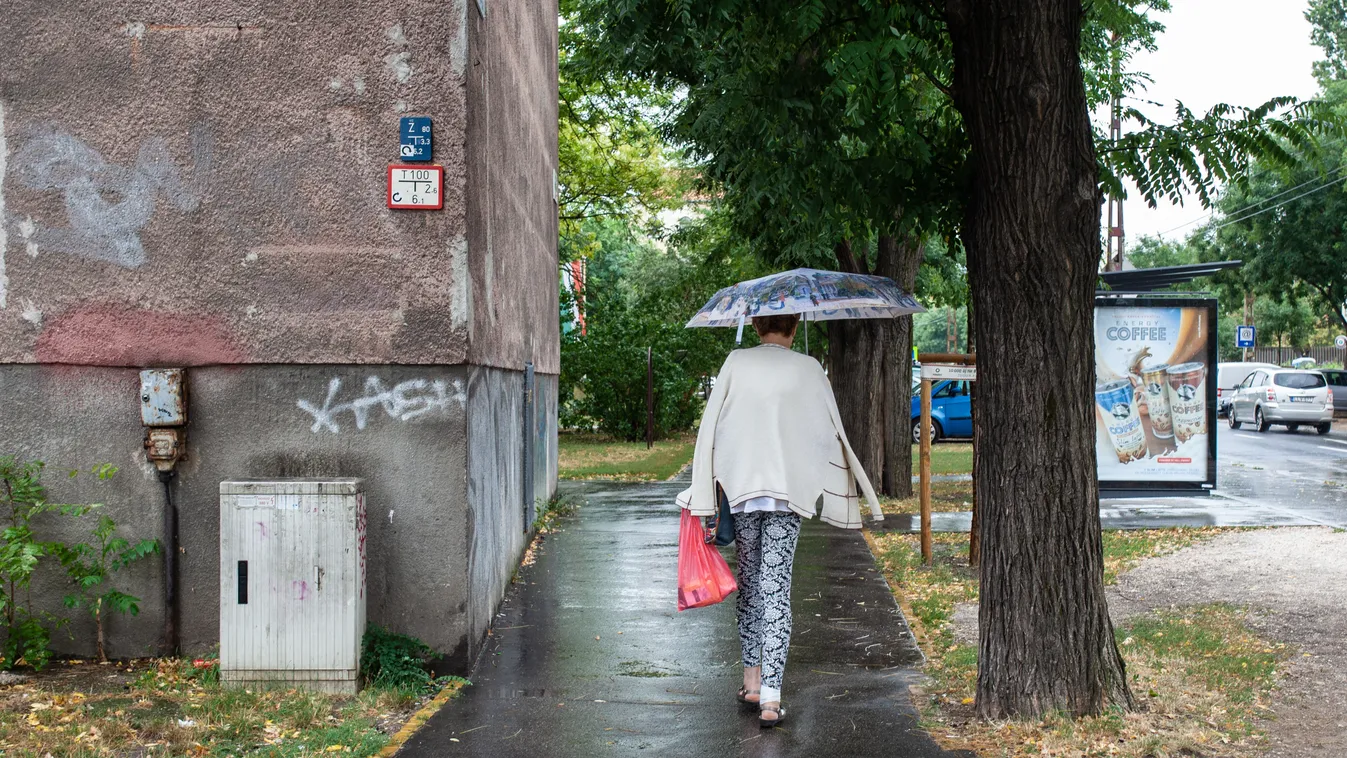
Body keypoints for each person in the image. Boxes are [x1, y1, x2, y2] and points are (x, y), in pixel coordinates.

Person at [676, 312, 883, 728]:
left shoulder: (736, 361)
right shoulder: (809, 369)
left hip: (743, 492)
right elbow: (827, 430)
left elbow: (712, 428)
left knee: (752, 585)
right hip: (788, 496)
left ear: (756, 326)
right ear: (795, 326)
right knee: (776, 587)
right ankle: (771, 697)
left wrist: (705, 488)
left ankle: (752, 682)